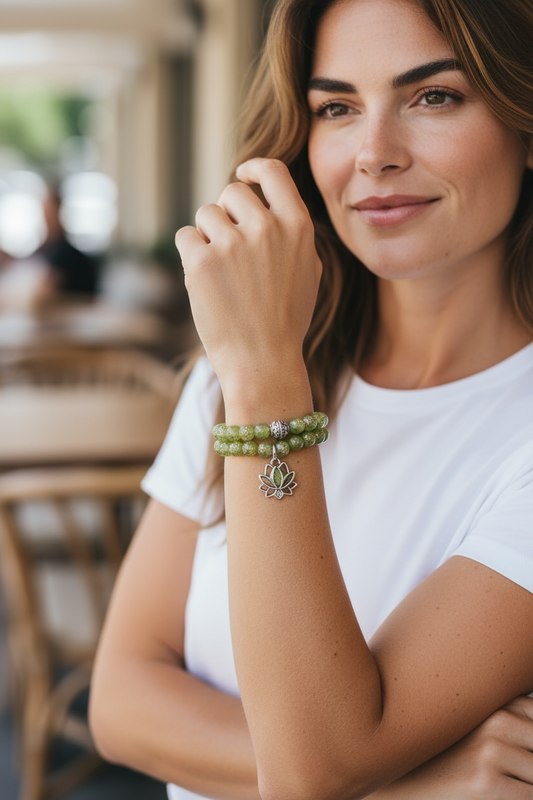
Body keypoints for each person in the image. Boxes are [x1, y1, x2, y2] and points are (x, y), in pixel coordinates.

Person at [89, 0, 533, 797]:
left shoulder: (259, 368)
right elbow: (120, 701)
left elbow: (312, 768)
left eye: (434, 96)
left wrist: (264, 384)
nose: (373, 154)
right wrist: (411, 787)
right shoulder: (252, 360)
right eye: (336, 108)